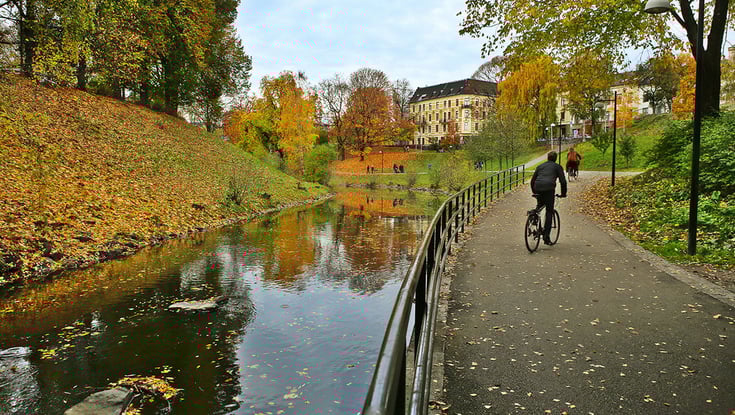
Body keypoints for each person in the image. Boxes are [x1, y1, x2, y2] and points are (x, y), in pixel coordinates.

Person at [530, 151, 567, 245]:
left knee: (540, 204)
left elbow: (533, 180)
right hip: (549, 189)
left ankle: (533, 215)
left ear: (547, 158)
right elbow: (563, 182)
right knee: (549, 211)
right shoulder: (557, 167)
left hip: (538, 187)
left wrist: (534, 192)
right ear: (555, 158)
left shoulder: (540, 166)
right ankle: (546, 237)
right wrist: (563, 194)